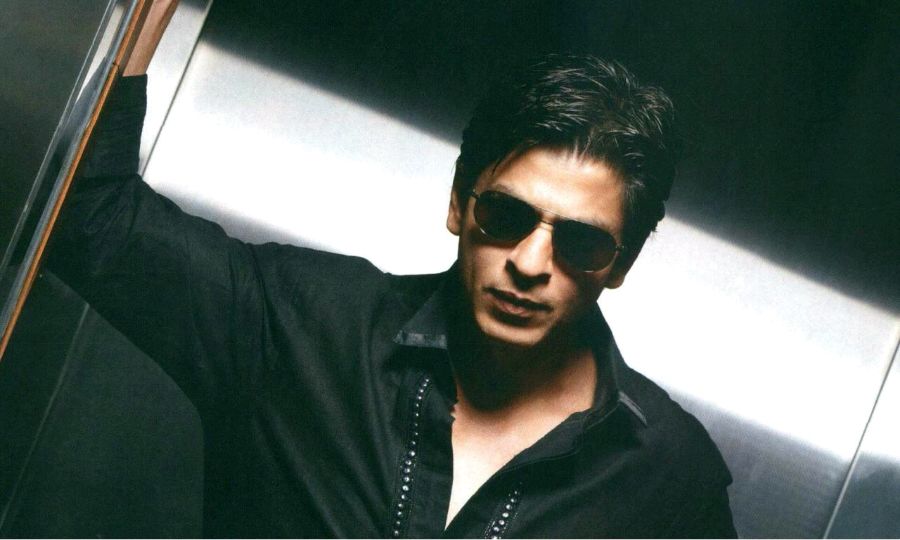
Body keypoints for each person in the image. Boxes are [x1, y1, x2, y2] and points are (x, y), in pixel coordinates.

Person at [48, 1, 736, 537]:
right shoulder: (303, 325)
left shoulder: (669, 473)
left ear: (621, 263)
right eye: (505, 215)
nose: (530, 263)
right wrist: (134, 24)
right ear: (458, 205)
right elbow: (88, 217)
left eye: (580, 243)